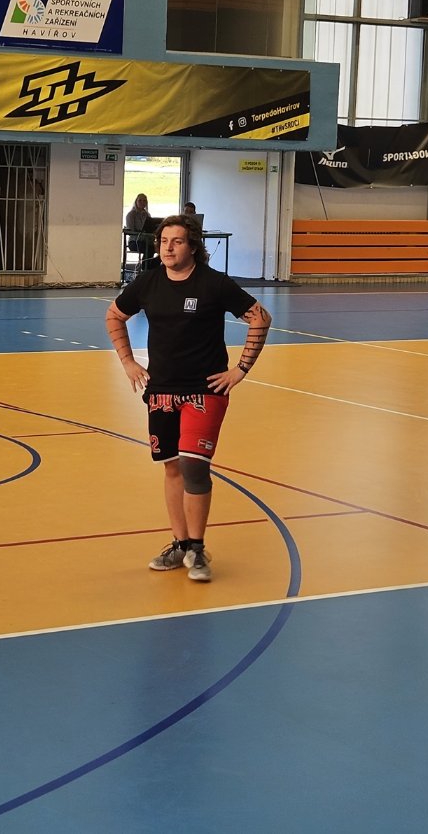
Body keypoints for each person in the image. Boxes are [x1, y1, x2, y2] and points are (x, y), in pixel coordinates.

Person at [105, 214, 272, 583]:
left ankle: (197, 548)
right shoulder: (148, 282)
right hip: (161, 391)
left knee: (194, 466)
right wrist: (128, 362)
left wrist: (240, 370)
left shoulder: (214, 284)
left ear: (192, 246)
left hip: (204, 390)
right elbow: (114, 316)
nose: (168, 248)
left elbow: (260, 318)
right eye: (164, 241)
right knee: (172, 467)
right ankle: (179, 543)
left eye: (177, 241)